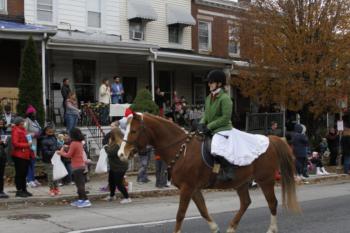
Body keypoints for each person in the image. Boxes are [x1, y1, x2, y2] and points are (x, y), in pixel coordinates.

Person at [198, 69, 234, 181]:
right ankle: (214, 171)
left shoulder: (225, 98)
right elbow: (206, 115)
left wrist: (209, 126)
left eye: (211, 82)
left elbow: (225, 118)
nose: (209, 84)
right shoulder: (209, 97)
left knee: (215, 147)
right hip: (212, 129)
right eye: (209, 82)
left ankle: (229, 169)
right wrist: (201, 123)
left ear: (219, 83)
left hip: (223, 128)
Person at [57, 128, 91, 208]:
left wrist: (61, 153)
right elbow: (74, 152)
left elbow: (69, 155)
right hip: (81, 166)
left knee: (80, 185)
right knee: (80, 184)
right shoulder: (79, 143)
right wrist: (67, 148)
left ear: (73, 135)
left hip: (77, 167)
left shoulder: (74, 143)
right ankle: (81, 200)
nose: (68, 136)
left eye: (69, 134)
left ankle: (85, 200)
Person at [104, 128, 131, 203]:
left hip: (120, 167)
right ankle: (112, 195)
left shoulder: (119, 144)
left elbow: (111, 153)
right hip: (114, 166)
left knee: (118, 183)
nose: (110, 136)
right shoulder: (114, 142)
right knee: (111, 181)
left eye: (111, 134)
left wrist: (106, 146)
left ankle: (127, 198)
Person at [11, 117, 33, 198]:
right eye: (23, 122)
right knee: (20, 173)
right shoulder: (16, 130)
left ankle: (24, 190)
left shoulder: (23, 130)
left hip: (25, 155)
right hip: (19, 155)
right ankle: (19, 191)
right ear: (19, 123)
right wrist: (27, 145)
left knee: (24, 173)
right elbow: (15, 143)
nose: (24, 123)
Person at [24, 105, 42, 188]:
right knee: (30, 162)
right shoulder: (26, 121)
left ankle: (33, 178)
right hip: (30, 144)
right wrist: (34, 134)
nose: (35, 114)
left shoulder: (35, 121)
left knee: (33, 162)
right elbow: (24, 133)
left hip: (35, 144)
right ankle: (29, 180)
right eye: (34, 113)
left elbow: (39, 129)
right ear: (30, 114)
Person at [41, 126, 60, 196]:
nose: (51, 132)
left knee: (56, 174)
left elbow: (56, 146)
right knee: (50, 175)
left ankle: (56, 188)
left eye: (52, 131)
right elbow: (45, 152)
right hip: (48, 160)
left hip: (55, 159)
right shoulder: (44, 140)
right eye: (49, 131)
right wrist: (53, 152)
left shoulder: (54, 138)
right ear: (46, 132)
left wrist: (59, 148)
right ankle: (51, 189)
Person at [0, 119, 9, 198]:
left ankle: (1, 191)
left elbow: (5, 144)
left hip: (2, 154)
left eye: (2, 123)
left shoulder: (3, 131)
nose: (1, 124)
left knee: (1, 174)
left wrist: (4, 142)